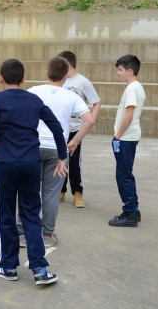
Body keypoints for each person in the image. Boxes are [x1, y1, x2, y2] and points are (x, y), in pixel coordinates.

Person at [0, 59, 67, 286]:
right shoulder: (34, 99)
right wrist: (62, 157)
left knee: (6, 215)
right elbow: (56, 127)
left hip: (6, 163)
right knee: (31, 215)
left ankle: (7, 267)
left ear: (0, 78)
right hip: (30, 162)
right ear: (24, 79)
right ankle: (39, 269)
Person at [17, 56, 95, 249]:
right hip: (57, 149)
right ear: (66, 75)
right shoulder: (72, 96)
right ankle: (47, 234)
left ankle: (22, 233)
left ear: (46, 73)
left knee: (28, 190)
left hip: (32, 148)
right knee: (51, 194)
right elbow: (89, 120)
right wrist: (75, 141)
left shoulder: (33, 91)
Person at [60, 50, 101, 208]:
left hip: (76, 129)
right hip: (61, 129)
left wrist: (91, 119)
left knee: (75, 162)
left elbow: (96, 102)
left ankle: (77, 192)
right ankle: (60, 190)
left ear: (68, 65)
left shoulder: (83, 82)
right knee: (60, 160)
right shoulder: (60, 80)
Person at [108, 55, 146, 228]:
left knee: (123, 175)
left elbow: (128, 116)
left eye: (120, 70)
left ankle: (129, 213)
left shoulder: (132, 88)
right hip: (129, 137)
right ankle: (134, 209)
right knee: (127, 174)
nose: (118, 73)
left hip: (126, 137)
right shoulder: (137, 87)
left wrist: (117, 137)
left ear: (130, 71)